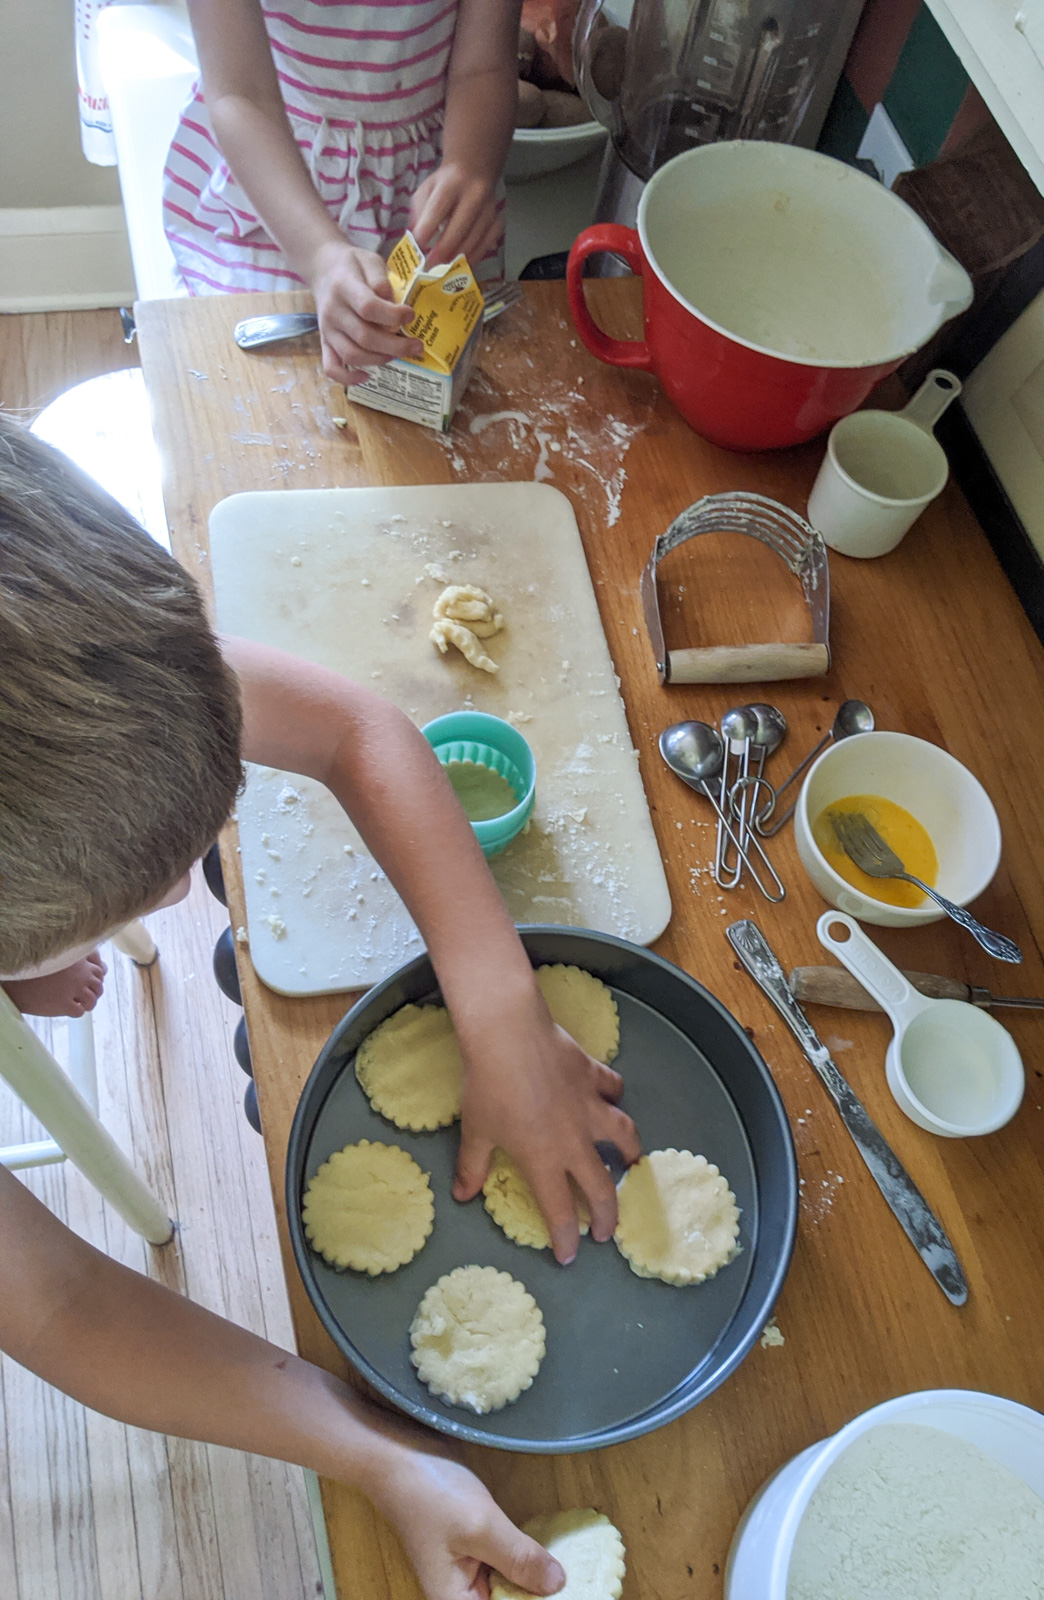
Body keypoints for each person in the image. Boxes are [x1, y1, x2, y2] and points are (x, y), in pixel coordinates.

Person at [0, 414, 639, 1594]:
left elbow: (356, 726)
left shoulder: (80, 644)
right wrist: (373, 1457)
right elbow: (58, 1305)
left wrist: (498, 1009)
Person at [165, 0, 518, 385]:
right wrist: (319, 256)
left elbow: (483, 69)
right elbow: (240, 94)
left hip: (430, 184)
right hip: (277, 189)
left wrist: (470, 165)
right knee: (262, 390)